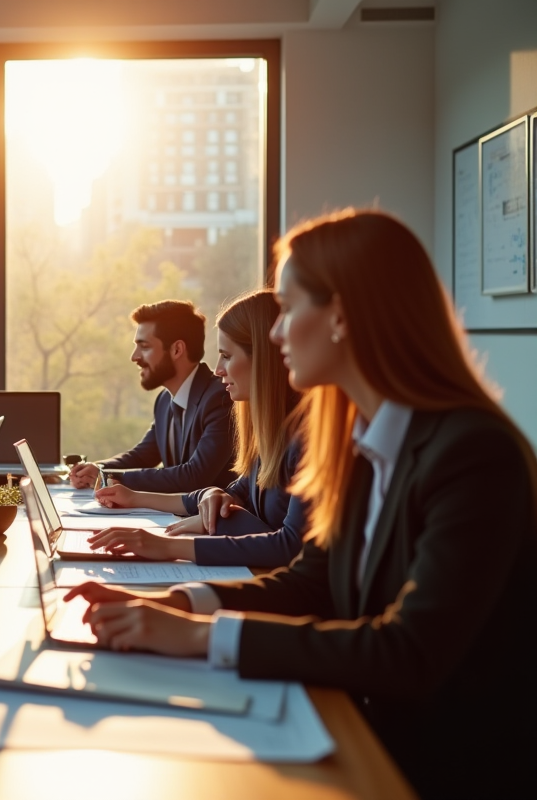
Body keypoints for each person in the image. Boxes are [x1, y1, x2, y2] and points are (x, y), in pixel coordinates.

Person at [66, 210, 537, 799]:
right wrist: (176, 604)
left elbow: (410, 651)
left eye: (288, 309)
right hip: (365, 733)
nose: (276, 334)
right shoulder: (358, 443)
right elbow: (312, 583)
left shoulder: (473, 455)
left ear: (341, 316)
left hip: (440, 769)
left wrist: (201, 637)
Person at [89, 289, 307, 568]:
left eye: (226, 355)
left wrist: (170, 545)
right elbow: (229, 491)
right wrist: (135, 495)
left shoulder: (303, 437)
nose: (218, 369)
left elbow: (290, 546)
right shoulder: (269, 433)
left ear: (264, 358)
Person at [68, 300, 235, 493]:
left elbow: (195, 476)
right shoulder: (164, 400)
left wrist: (108, 477)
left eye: (145, 347)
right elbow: (142, 456)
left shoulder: (221, 398)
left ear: (177, 350)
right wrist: (96, 469)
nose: (134, 357)